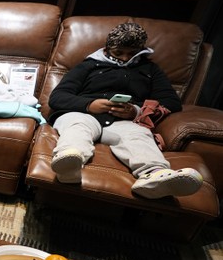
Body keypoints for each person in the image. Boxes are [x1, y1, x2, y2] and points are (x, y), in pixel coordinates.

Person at [48, 22, 203, 199]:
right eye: (118, 53)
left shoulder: (150, 69)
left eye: (131, 53)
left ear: (141, 51)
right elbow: (57, 97)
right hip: (83, 114)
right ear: (107, 49)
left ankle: (155, 177)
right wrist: (89, 104)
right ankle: (69, 165)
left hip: (123, 122)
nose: (124, 58)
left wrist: (136, 111)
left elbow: (172, 102)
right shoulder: (88, 65)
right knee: (77, 126)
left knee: (139, 135)